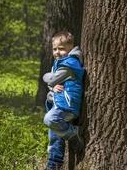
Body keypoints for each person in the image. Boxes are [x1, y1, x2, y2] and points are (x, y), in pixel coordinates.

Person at [43, 31, 85, 170]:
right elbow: (53, 84)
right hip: (59, 105)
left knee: (49, 120)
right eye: (54, 49)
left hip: (67, 106)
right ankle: (53, 165)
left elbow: (50, 79)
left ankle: (73, 134)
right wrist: (52, 88)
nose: (57, 52)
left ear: (70, 47)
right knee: (54, 137)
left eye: (61, 49)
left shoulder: (70, 64)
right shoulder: (59, 63)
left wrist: (48, 78)